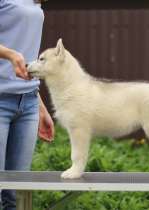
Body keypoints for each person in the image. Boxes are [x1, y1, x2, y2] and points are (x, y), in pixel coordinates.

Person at [0, 0, 54, 209]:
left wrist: (40, 107)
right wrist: (10, 54)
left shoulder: (35, 1)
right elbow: (17, 53)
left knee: (15, 192)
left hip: (28, 102)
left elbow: (27, 49)